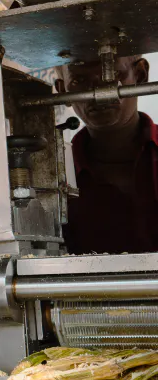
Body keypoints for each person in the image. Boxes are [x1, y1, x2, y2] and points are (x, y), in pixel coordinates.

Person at [55, 55, 158, 254]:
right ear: (63, 91)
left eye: (111, 75)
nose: (98, 92)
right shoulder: (53, 177)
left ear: (140, 75)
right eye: (79, 81)